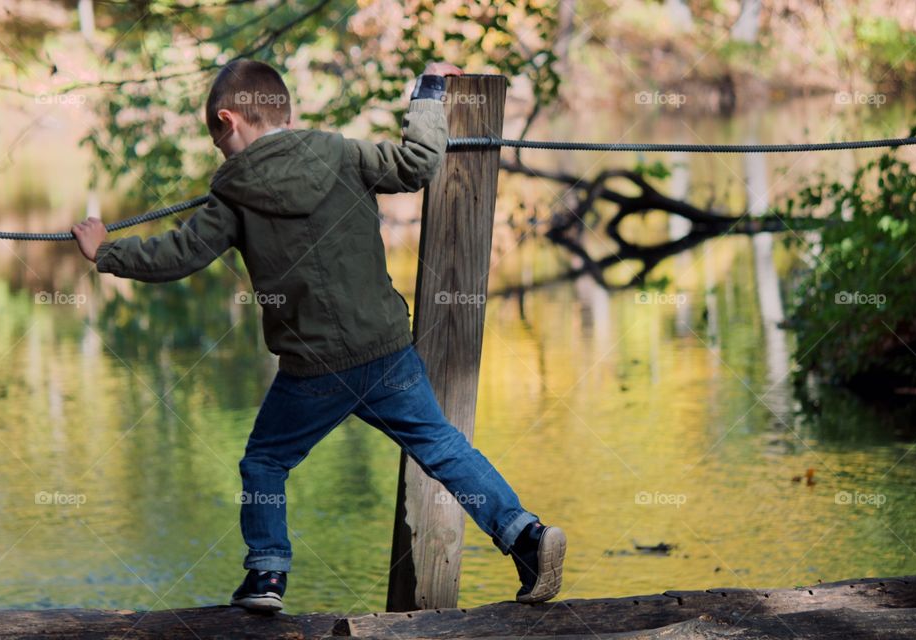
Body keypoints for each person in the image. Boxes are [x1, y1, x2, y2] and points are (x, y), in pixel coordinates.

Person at [71, 59, 566, 612]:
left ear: (228, 120)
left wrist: (105, 251)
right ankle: (525, 535)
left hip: (313, 370)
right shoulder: (341, 152)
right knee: (443, 447)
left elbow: (178, 255)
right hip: (385, 351)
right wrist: (428, 91)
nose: (220, 153)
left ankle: (266, 575)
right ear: (288, 110)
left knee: (265, 463)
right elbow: (419, 163)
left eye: (217, 140)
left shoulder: (232, 191)